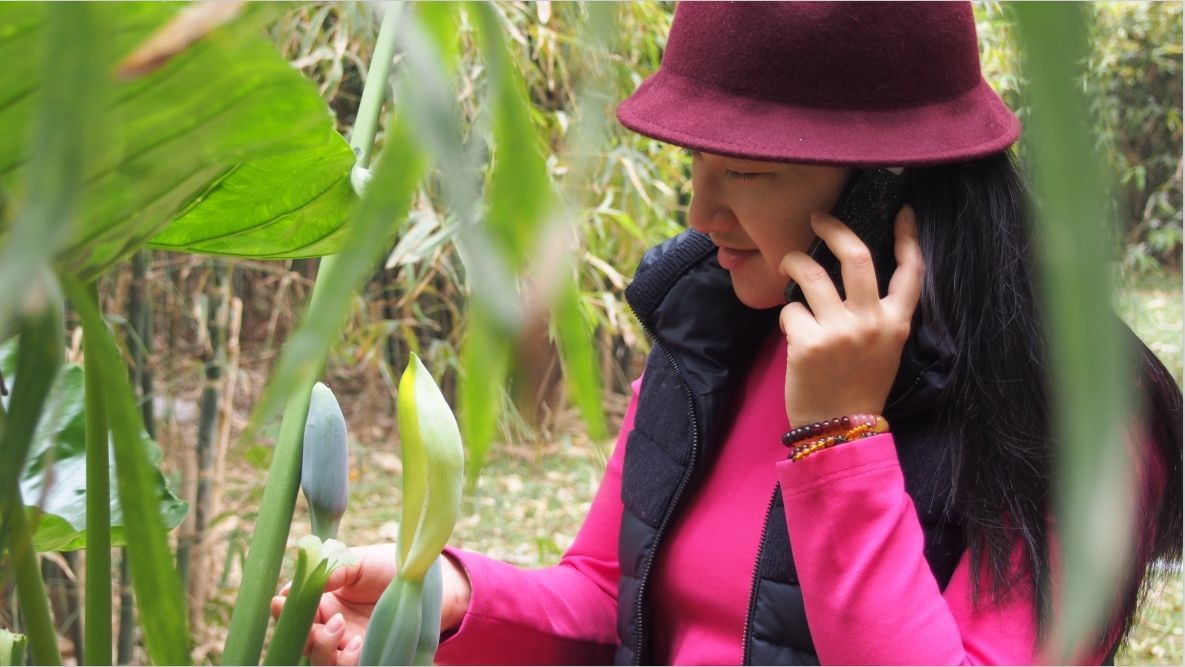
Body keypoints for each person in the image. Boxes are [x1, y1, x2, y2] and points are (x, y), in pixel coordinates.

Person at [273, 3, 1183, 664]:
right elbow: (610, 597)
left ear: (884, 188)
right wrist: (443, 599)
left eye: (746, 174)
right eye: (696, 163)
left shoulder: (1081, 421)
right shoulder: (713, 328)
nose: (700, 212)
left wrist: (839, 439)